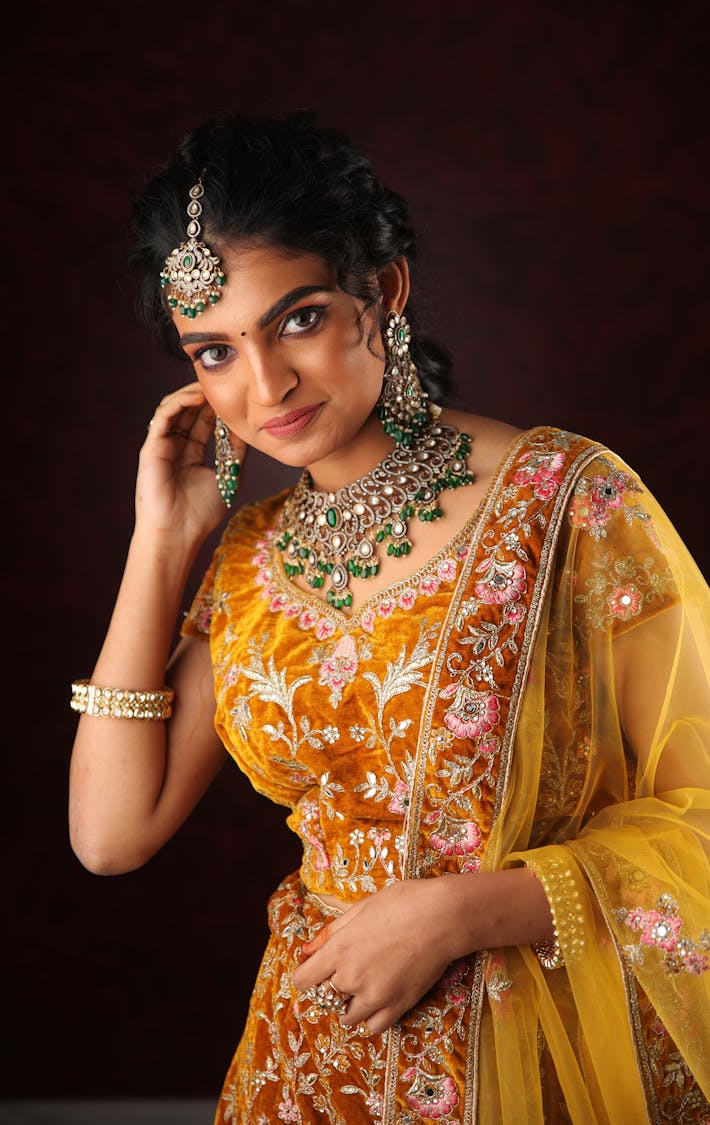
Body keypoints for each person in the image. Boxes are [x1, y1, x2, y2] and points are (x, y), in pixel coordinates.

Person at [68, 110, 710, 1124]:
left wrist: (467, 910)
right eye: (214, 351)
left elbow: (703, 818)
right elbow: (111, 835)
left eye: (299, 318)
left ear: (386, 292)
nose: (265, 384)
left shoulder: (564, 501)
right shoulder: (246, 560)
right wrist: (161, 541)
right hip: (306, 1068)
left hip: (534, 1062)